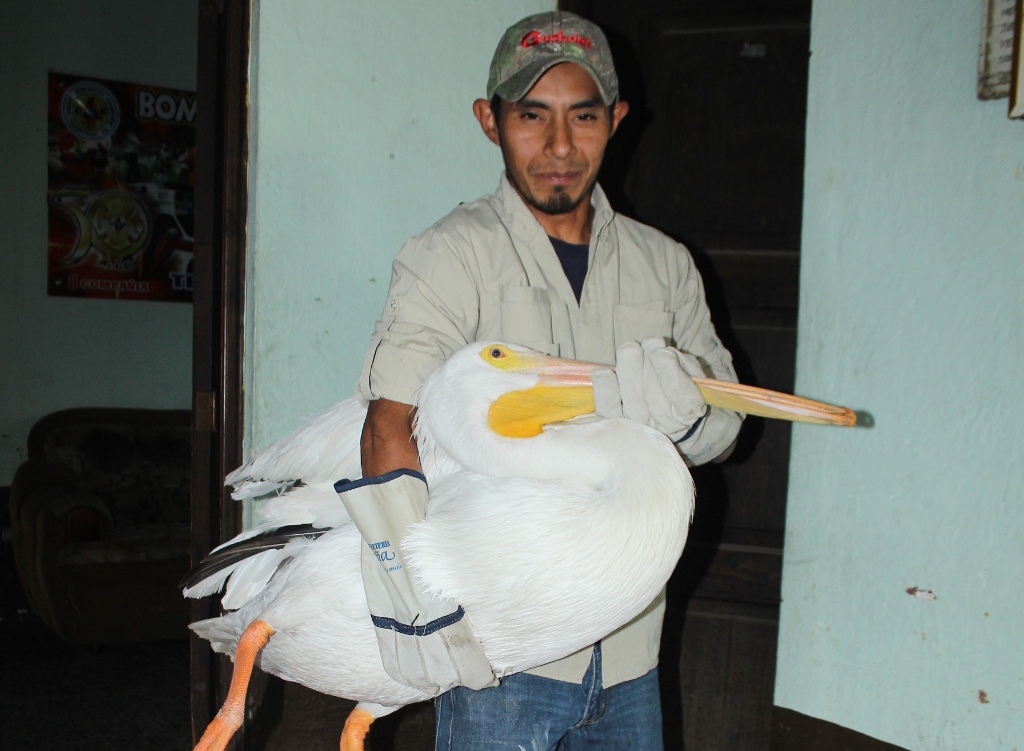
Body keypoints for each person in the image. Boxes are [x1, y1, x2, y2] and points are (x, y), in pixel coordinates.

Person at [355, 11, 742, 751]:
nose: (560, 146)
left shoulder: (665, 265)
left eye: (583, 116)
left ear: (616, 120)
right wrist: (424, 614)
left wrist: (691, 418)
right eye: (532, 116)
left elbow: (726, 427)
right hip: (504, 655)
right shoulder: (452, 255)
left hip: (631, 644)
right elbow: (387, 428)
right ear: (490, 121)